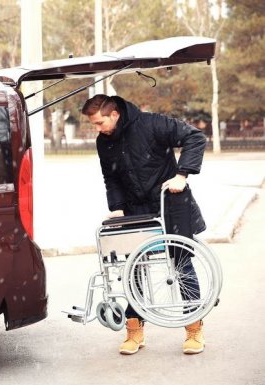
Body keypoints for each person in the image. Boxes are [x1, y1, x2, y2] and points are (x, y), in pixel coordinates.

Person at [81, 94, 207, 355]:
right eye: (94, 124)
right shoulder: (103, 142)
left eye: (99, 122)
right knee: (133, 269)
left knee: (181, 265)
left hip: (169, 202)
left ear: (114, 114)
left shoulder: (152, 124)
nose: (97, 128)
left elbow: (195, 137)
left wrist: (181, 175)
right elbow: (110, 177)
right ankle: (134, 330)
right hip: (134, 210)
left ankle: (194, 328)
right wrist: (116, 207)